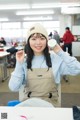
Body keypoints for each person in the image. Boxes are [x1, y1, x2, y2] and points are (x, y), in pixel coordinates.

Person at [8, 23, 80, 107]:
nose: (38, 43)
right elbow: (13, 87)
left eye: (42, 38)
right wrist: (19, 64)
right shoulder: (24, 61)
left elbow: (77, 69)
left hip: (51, 107)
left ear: (47, 41)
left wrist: (61, 53)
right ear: (28, 41)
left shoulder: (55, 59)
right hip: (29, 107)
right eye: (33, 39)